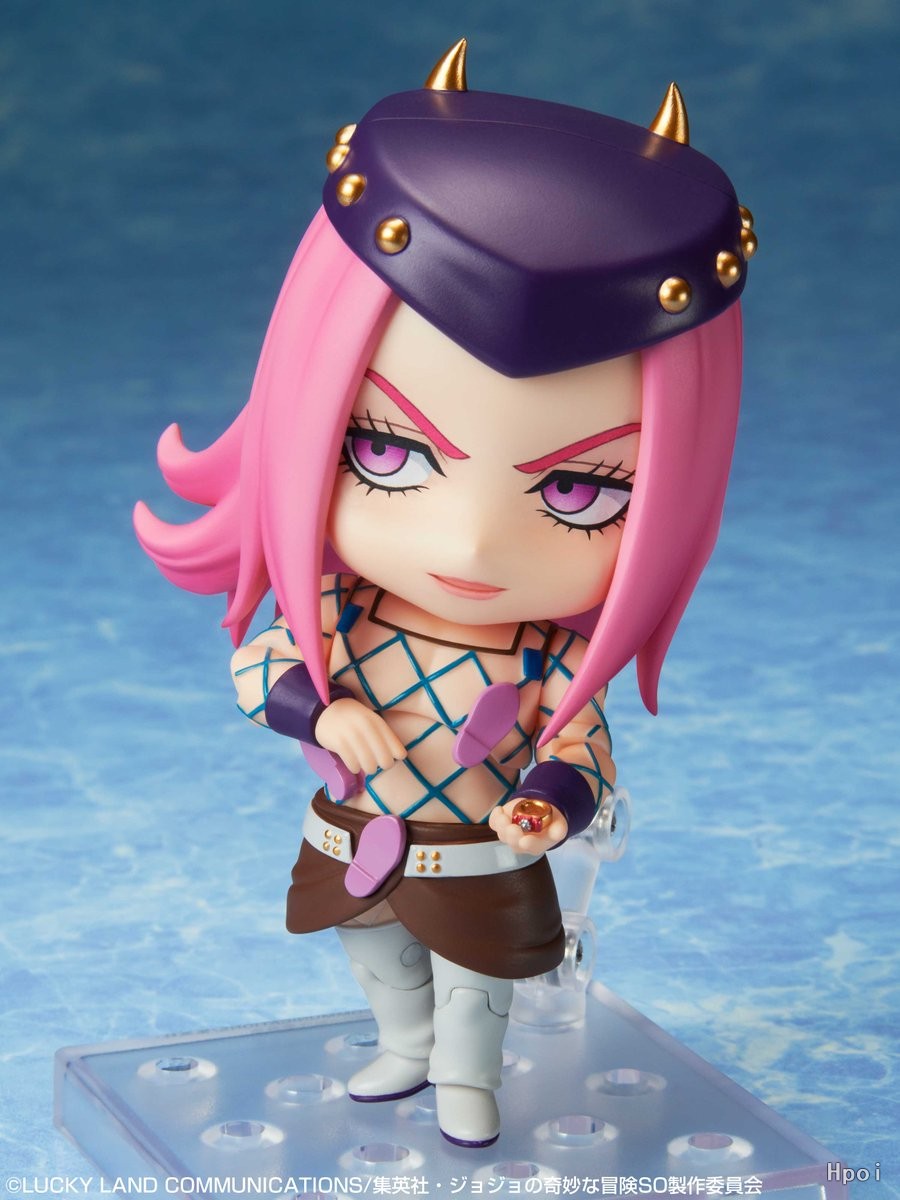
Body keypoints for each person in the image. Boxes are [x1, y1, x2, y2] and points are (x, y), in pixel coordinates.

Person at [134, 39, 753, 1148]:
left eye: (577, 491)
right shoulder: (343, 618)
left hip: (478, 847)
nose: (469, 541)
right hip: (355, 833)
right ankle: (403, 1046)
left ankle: (466, 1078)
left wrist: (549, 805)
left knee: (480, 979)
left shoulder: (547, 658)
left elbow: (583, 750)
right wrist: (319, 712)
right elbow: (259, 666)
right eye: (385, 452)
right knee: (371, 947)